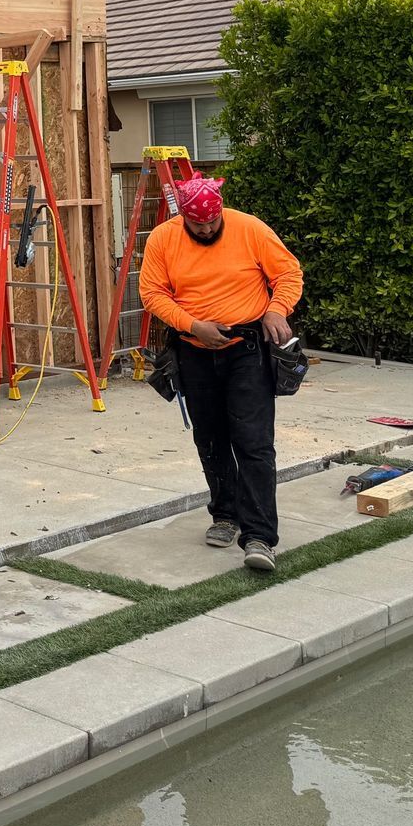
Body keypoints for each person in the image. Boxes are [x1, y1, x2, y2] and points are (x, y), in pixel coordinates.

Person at [139, 175, 303, 573]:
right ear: (185, 219)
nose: (208, 229)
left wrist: (277, 308)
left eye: (213, 222)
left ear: (220, 209)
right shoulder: (163, 239)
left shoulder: (250, 228)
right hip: (194, 351)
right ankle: (225, 515)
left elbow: (289, 273)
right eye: (199, 225)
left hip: (247, 349)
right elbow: (152, 292)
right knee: (210, 437)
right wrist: (194, 326)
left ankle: (260, 536)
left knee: (253, 441)